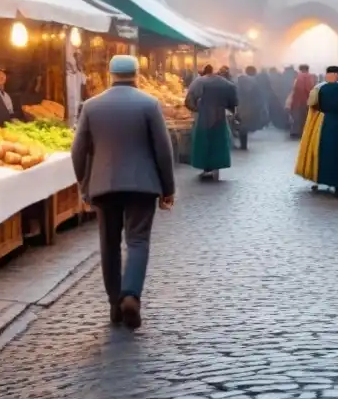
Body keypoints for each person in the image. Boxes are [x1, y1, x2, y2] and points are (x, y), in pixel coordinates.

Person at [72, 56, 175, 330]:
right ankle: (131, 294)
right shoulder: (149, 104)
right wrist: (168, 188)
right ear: (137, 74)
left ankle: (114, 303)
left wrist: (84, 185)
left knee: (109, 244)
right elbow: (163, 150)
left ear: (110, 75)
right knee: (138, 241)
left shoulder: (91, 106)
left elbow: (78, 150)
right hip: (143, 185)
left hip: (104, 186)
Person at [294, 66, 338, 197]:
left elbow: (312, 105)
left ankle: (319, 179)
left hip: (324, 123)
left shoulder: (319, 88)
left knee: (322, 152)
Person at [185, 62, 239, 180]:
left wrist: (196, 109)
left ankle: (206, 168)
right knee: (218, 141)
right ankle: (216, 166)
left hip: (204, 115)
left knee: (204, 141)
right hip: (220, 115)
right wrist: (230, 109)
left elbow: (189, 100)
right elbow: (233, 97)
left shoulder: (199, 81)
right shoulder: (224, 83)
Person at [287, 64, 317, 139]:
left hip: (298, 100)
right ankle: (305, 132)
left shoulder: (298, 77)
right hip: (307, 100)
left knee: (298, 117)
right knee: (306, 117)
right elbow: (311, 88)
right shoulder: (310, 77)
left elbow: (296, 89)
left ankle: (296, 132)